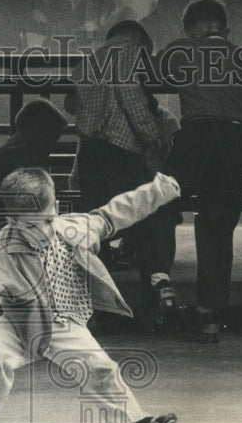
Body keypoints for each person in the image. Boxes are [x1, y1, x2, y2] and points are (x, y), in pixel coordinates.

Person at [0, 169, 186, 423]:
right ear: (13, 222)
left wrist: (158, 191)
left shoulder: (72, 228)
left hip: (65, 321)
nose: (44, 232)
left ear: (56, 209)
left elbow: (113, 215)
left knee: (101, 368)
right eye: (32, 227)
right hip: (23, 323)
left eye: (48, 220)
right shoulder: (3, 249)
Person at [161, 0, 242, 342]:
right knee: (218, 227)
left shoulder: (181, 51)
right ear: (223, 27)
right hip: (234, 141)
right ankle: (210, 315)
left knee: (157, 203)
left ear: (193, 28)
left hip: (196, 136)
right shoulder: (241, 56)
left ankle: (159, 290)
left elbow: (151, 76)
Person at [65, 20, 177, 327]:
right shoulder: (130, 53)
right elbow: (130, 95)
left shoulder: (87, 61)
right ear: (139, 39)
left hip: (90, 153)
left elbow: (71, 104)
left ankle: (96, 312)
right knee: (142, 222)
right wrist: (151, 136)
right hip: (123, 152)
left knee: (95, 230)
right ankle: (151, 308)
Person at [0, 99, 68, 280]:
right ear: (40, 133)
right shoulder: (27, 162)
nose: (53, 146)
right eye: (52, 138)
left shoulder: (9, 153)